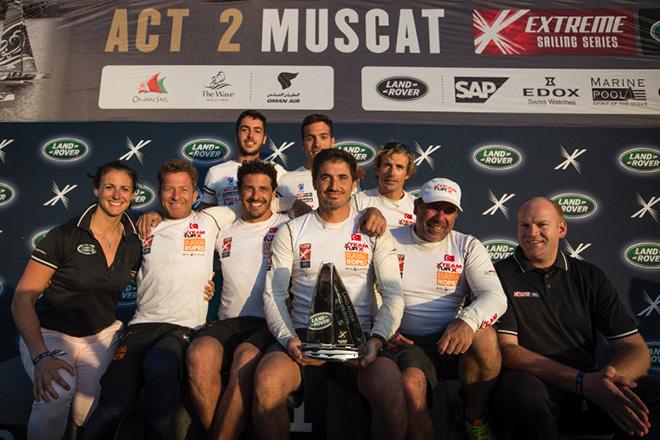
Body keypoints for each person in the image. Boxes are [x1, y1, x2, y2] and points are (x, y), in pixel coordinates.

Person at [254, 148, 407, 440]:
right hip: (303, 336)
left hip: (360, 339)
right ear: (314, 182)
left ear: (353, 184)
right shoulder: (292, 231)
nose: (333, 186)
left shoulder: (372, 229)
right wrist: (289, 341)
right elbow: (274, 294)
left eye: (341, 178)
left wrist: (378, 339)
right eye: (325, 177)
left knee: (391, 392)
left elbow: (392, 295)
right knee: (267, 384)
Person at [83, 160, 232, 440]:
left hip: (183, 328)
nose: (176, 196)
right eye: (169, 189)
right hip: (139, 327)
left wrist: (294, 206)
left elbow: (259, 205)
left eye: (183, 189)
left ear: (196, 193)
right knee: (113, 404)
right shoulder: (143, 228)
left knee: (160, 370)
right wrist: (150, 214)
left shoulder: (212, 219)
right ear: (159, 191)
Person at [492, 197, 660, 439]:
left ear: (561, 229)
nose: (532, 233)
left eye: (541, 225)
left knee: (652, 394)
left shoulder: (590, 276)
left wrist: (608, 383)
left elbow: (635, 349)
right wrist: (581, 381)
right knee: (522, 393)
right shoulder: (498, 275)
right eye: (524, 226)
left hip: (590, 389)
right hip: (534, 385)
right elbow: (507, 351)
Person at [11, 161, 142, 440]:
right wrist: (41, 356)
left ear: (132, 196)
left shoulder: (135, 241)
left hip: (101, 336)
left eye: (124, 189)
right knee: (56, 393)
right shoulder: (64, 235)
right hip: (53, 334)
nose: (117, 195)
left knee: (93, 410)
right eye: (109, 187)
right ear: (96, 189)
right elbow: (22, 299)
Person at [389, 177, 506, 440]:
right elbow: (364, 291)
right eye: (433, 208)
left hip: (450, 341)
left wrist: (467, 321)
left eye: (448, 210)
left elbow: (495, 296)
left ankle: (472, 414)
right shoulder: (389, 239)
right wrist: (382, 329)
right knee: (411, 386)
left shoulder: (467, 245)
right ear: (417, 207)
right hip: (405, 343)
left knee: (485, 336)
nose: (440, 217)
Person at [186, 161, 289, 439]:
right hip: (228, 321)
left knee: (244, 359)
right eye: (249, 188)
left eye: (263, 189)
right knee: (199, 355)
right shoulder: (223, 230)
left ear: (274, 192)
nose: (256, 196)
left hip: (269, 323)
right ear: (239, 191)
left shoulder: (288, 226)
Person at [200, 110, 287, 208]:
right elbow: (207, 214)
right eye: (245, 130)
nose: (250, 135)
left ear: (264, 139)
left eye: (257, 131)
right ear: (236, 135)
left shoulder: (277, 171)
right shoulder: (216, 172)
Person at [277, 113, 335, 214]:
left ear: (332, 141)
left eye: (323, 137)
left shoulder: (348, 179)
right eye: (310, 138)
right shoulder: (286, 181)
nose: (317, 144)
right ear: (303, 145)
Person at [353, 141, 417, 228]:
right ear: (378, 169)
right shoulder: (358, 201)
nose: (392, 173)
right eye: (387, 165)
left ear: (407, 174)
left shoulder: (416, 207)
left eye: (399, 167)